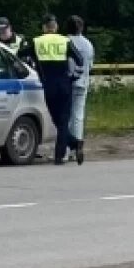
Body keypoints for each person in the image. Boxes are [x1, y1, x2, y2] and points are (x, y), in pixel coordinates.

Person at [23, 14, 84, 165]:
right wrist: (73, 75)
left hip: (47, 86)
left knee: (56, 120)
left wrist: (32, 63)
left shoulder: (37, 42)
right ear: (56, 27)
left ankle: (69, 148)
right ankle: (71, 147)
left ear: (44, 27)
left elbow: (20, 54)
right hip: (64, 85)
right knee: (63, 121)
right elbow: (80, 60)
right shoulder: (65, 41)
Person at [65, 15, 95, 164]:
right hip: (82, 83)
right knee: (78, 116)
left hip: (67, 83)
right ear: (81, 28)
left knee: (65, 116)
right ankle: (76, 147)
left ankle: (64, 149)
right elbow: (90, 66)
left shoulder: (64, 42)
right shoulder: (88, 44)